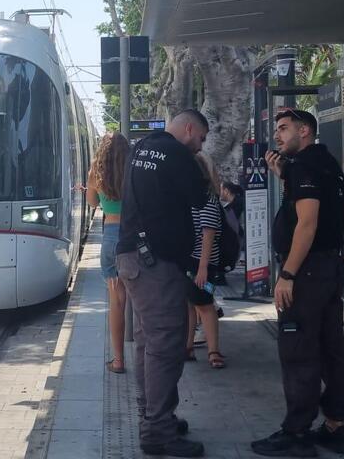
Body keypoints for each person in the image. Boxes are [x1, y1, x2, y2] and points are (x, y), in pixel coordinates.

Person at [252, 109, 344, 457]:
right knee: (330, 348)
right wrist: (284, 177)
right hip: (328, 269)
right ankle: (335, 424)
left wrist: (288, 274)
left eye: (283, 129)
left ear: (305, 131)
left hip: (307, 273)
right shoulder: (325, 163)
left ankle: (296, 433)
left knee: (298, 352)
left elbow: (307, 223)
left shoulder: (304, 167)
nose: (277, 136)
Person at [116, 109, 210, 458]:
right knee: (166, 345)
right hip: (156, 263)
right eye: (200, 139)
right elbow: (201, 198)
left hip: (133, 257)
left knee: (147, 342)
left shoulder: (141, 148)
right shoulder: (177, 154)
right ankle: (158, 430)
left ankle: (152, 415)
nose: (199, 147)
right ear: (189, 129)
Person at [86, 131, 130, 375]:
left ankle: (118, 360)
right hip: (133, 236)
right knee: (141, 299)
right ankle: (147, 355)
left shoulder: (97, 172)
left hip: (111, 237)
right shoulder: (133, 169)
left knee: (117, 302)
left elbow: (92, 203)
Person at [185, 153, 225, 370]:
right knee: (190, 304)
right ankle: (188, 347)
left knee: (204, 304)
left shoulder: (207, 198)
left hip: (203, 263)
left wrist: (202, 268)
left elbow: (208, 234)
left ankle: (213, 351)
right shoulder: (195, 196)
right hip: (192, 261)